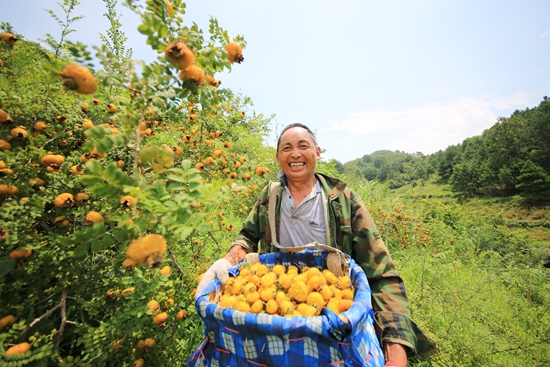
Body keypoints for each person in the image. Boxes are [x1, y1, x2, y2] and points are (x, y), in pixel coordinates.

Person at [196, 123, 436, 366]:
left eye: (303, 146)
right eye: (287, 148)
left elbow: (382, 273)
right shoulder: (269, 197)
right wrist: (229, 259)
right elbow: (247, 236)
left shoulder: (343, 201)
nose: (295, 154)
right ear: (278, 157)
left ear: (318, 152)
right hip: (275, 318)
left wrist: (397, 353)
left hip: (332, 323)